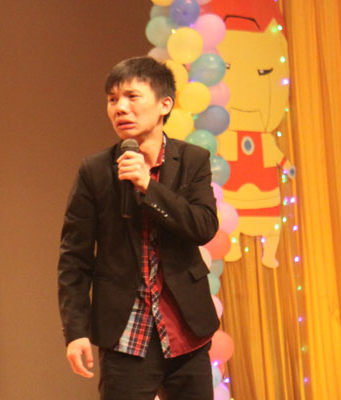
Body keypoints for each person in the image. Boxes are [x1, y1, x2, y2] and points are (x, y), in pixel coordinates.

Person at [58, 56, 219, 400]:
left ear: (165, 105)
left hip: (186, 332)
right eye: (112, 99)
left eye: (132, 97)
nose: (120, 108)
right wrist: (75, 331)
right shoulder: (95, 171)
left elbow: (204, 226)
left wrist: (149, 186)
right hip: (126, 335)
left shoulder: (192, 161)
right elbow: (74, 259)